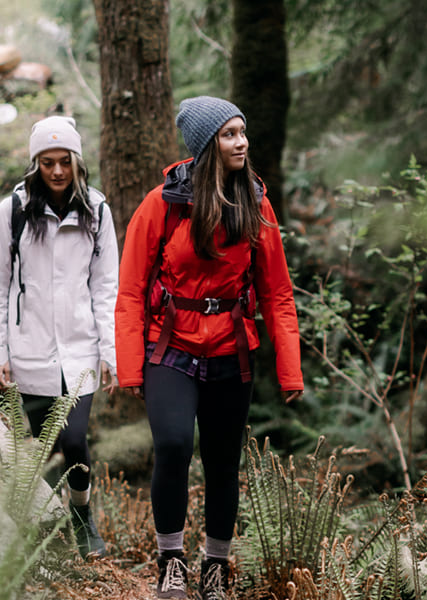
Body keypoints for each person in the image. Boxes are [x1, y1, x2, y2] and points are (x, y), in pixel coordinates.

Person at [115, 96, 304, 599]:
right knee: (174, 445)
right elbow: (131, 289)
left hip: (230, 350)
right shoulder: (163, 204)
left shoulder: (256, 203)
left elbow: (277, 292)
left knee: (223, 462)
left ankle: (214, 567)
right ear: (205, 145)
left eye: (242, 132)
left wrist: (290, 372)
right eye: (229, 134)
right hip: (169, 346)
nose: (242, 142)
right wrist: (130, 368)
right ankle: (170, 561)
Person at [0, 115, 119, 560]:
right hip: (31, 350)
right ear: (35, 162)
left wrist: (109, 351)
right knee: (45, 445)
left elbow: (105, 287)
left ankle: (82, 517)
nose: (57, 171)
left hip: (80, 349)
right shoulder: (14, 211)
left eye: (64, 162)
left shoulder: (97, 209)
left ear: (77, 162)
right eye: (47, 162)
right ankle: (48, 529)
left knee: (76, 440)